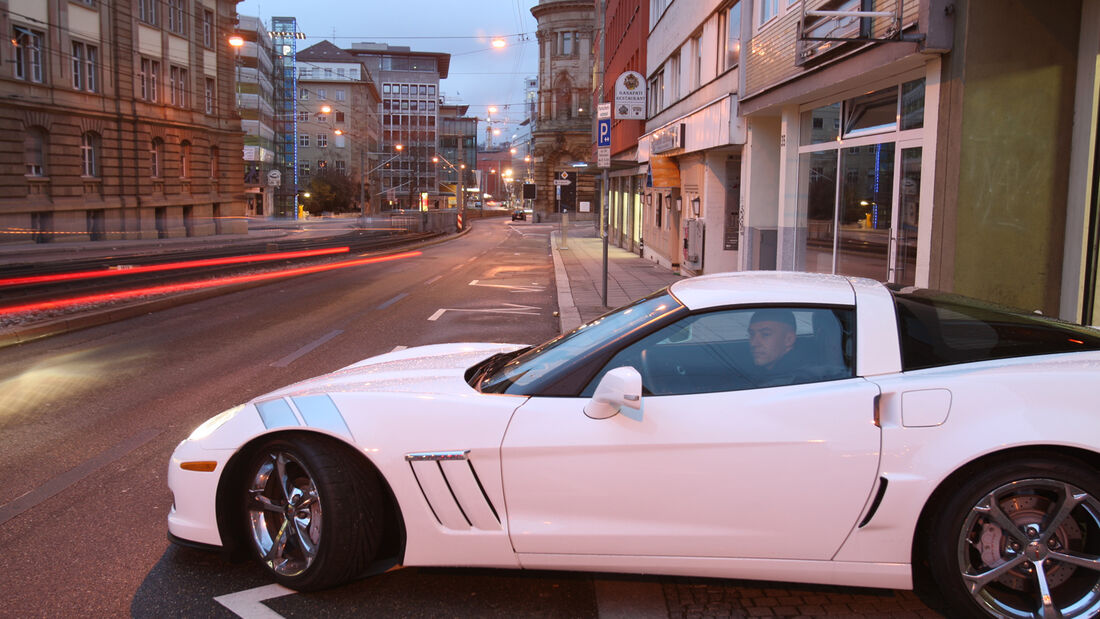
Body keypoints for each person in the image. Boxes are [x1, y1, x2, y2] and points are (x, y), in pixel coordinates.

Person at [748, 308, 800, 379]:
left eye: (765, 334)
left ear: (789, 339)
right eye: (752, 334)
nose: (753, 343)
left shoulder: (796, 378)